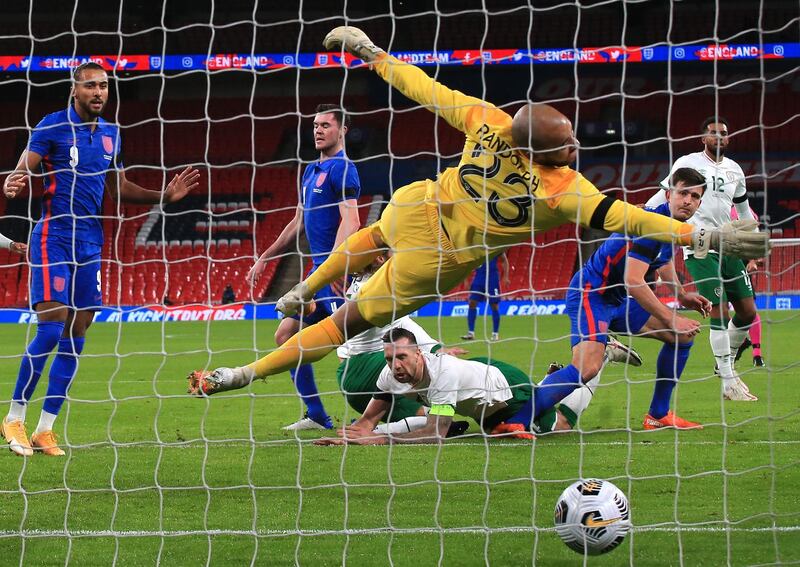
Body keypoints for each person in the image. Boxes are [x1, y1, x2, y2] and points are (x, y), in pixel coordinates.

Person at [187, 26, 768, 399]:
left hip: (419, 202)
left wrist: (371, 54)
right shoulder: (561, 188)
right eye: (566, 141)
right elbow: (631, 218)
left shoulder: (490, 119)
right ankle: (244, 374)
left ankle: (302, 288)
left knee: (368, 235)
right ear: (549, 151)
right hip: (436, 259)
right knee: (344, 324)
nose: (573, 145)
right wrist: (700, 235)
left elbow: (423, 88)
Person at [2, 62, 199, 457]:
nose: (99, 92)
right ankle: (14, 418)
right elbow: (24, 168)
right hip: (52, 237)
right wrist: (13, 179)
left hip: (90, 243)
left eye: (104, 86)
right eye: (91, 85)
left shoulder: (112, 134)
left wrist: (164, 196)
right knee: (51, 329)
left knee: (78, 334)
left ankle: (45, 429)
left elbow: (119, 187)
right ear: (75, 90)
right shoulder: (52, 125)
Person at [530, 168, 713, 434]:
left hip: (616, 298)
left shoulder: (671, 227)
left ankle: (658, 415)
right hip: (592, 293)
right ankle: (520, 413)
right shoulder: (651, 222)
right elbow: (634, 280)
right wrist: (671, 316)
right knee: (587, 368)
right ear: (668, 194)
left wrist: (682, 295)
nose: (688, 200)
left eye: (695, 196)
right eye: (683, 193)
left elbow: (662, 261)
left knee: (682, 337)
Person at [246, 104, 361, 431]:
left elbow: (351, 221)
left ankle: (383, 413)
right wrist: (265, 256)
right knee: (285, 334)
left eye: (326, 125)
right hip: (317, 274)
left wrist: (335, 266)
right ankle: (316, 415)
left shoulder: (344, 168)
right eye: (315, 125)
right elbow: (298, 221)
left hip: (335, 275)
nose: (318, 130)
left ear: (342, 131)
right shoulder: (311, 170)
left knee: (352, 349)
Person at [645, 117, 760, 400]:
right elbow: (665, 195)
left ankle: (725, 364)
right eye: (713, 133)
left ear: (728, 138)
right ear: (703, 138)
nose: (719, 137)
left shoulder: (735, 170)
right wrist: (644, 213)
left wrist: (752, 250)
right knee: (719, 310)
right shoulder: (688, 162)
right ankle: (728, 380)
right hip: (697, 243)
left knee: (747, 313)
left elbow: (744, 213)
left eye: (723, 133)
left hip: (730, 243)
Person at [730, 205, 764, 367]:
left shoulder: (743, 211)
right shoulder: (749, 211)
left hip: (733, 261)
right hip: (728, 259)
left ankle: (754, 351)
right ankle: (750, 348)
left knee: (746, 308)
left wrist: (752, 260)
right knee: (746, 309)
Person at [461, 253, 510, 342]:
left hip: (492, 278)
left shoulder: (494, 246)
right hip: (479, 277)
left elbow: (504, 260)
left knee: (494, 305)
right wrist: (466, 281)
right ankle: (470, 333)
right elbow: (468, 264)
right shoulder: (476, 247)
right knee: (472, 303)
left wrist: (505, 276)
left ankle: (495, 334)